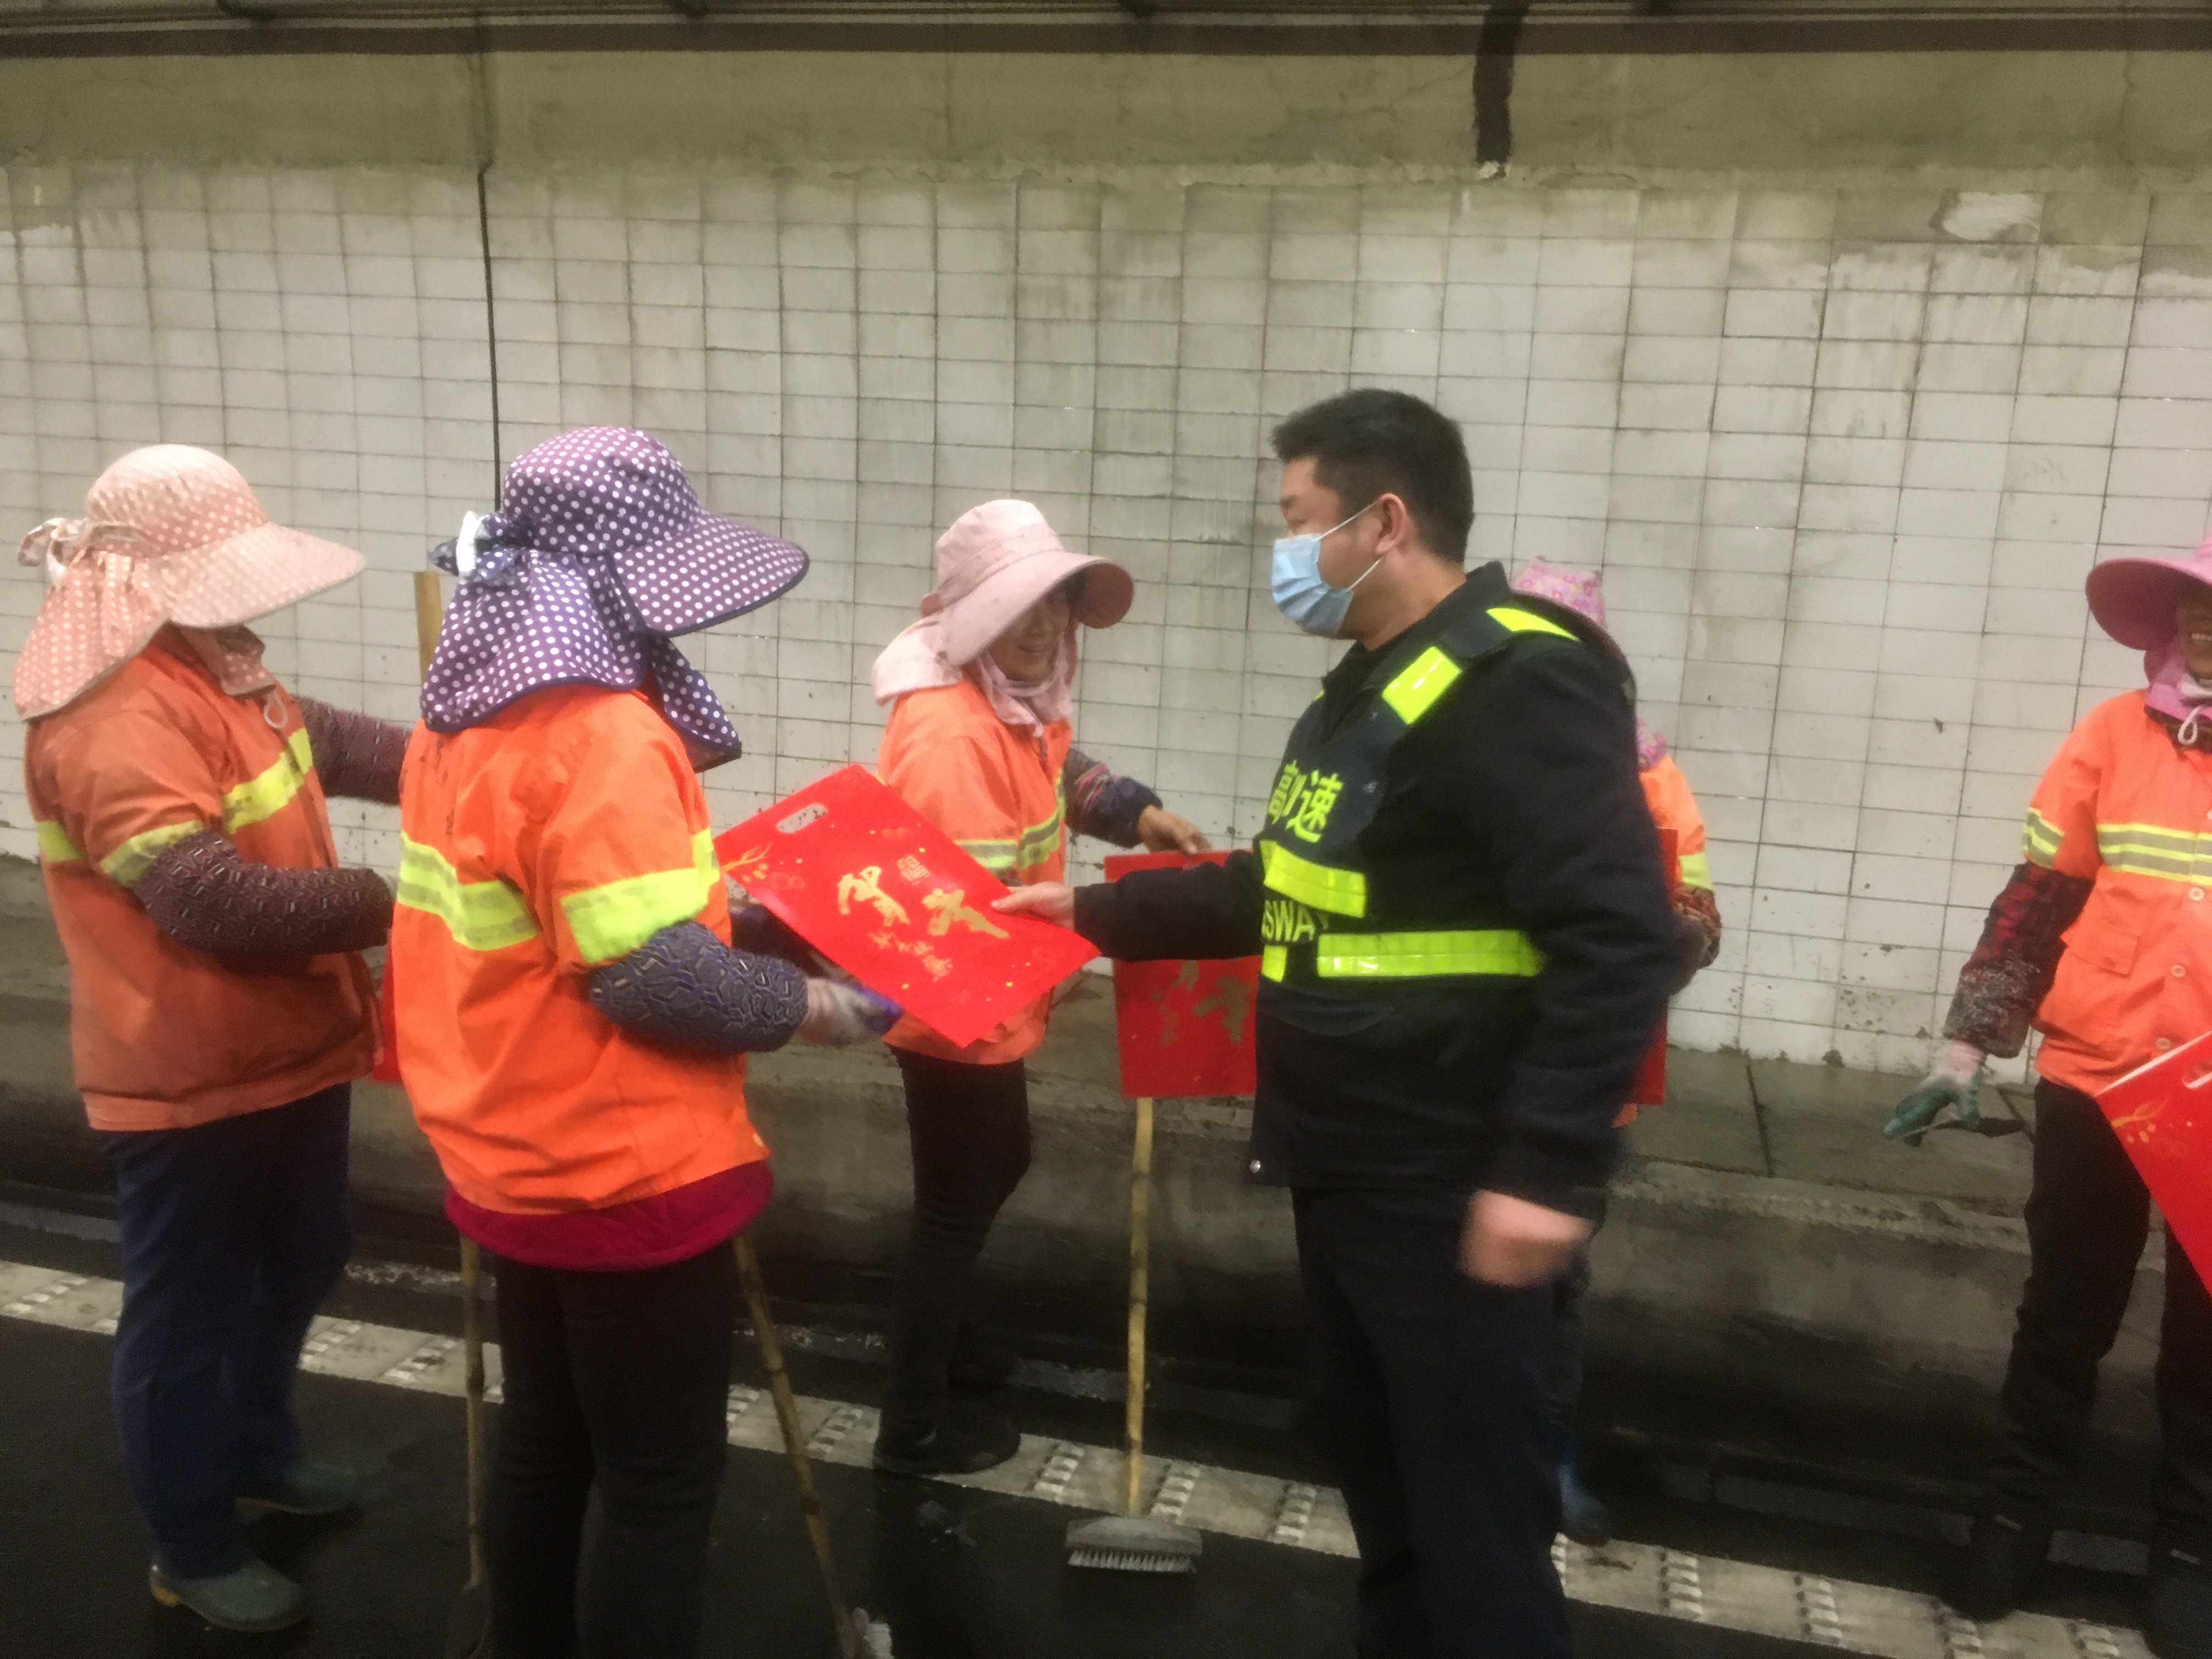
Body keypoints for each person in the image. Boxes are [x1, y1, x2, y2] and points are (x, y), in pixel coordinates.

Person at [999, 391, 1680, 1658]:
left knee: (1475, 1539)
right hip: (1353, 1167)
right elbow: (1289, 883)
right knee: (1393, 1499)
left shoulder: (1517, 681)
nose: (1286, 552)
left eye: (1299, 520)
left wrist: (1544, 1172)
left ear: (1386, 522)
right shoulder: (1378, 688)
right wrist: (1094, 913)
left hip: (1452, 1182)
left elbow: (1621, 937)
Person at [390, 427, 893, 1659]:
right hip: (623, 1167)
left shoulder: (459, 720)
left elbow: (580, 913)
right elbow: (650, 973)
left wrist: (749, 922)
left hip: (508, 1147)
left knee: (546, 1441)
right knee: (659, 1485)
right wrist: (825, 1008)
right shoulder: (602, 731)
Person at [15, 445, 407, 1633]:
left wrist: (475, 767)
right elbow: (205, 898)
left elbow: (327, 739)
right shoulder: (113, 715)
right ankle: (189, 1543)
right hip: (185, 1076)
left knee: (301, 1255)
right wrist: (410, 903)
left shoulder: (217, 668)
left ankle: (256, 1453)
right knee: (187, 1312)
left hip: (289, 1047)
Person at [1886, 538, 2212, 1658]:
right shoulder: (2110, 736)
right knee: (2065, 1312)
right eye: (2193, 609)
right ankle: (2013, 1517)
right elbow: (2039, 899)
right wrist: (1964, 1048)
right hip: (2097, 1077)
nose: (2206, 627)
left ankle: (2191, 1550)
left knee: (2209, 1334)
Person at [866, 498, 1211, 1476]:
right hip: (957, 1004)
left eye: (1057, 603)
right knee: (954, 1208)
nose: (1044, 626)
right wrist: (1105, 923)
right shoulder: (951, 732)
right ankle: (914, 1423)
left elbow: (1061, 768)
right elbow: (957, 918)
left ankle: (955, 1345)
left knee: (995, 1167)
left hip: (997, 997)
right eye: (1019, 607)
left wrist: (1140, 815)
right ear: (971, 615)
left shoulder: (1005, 703)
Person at [1509, 560, 1725, 1545]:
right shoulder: (1461, 751)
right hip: (1455, 1066)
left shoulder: (1651, 777)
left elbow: (1699, 919)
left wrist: (1634, 938)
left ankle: (1548, 1458)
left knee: (1555, 1286)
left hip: (1582, 1079)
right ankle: (1447, 1448)